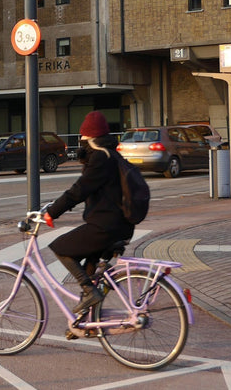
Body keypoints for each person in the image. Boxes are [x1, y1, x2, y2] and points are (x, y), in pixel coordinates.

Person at [42, 111, 135, 314]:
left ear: (89, 137)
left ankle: (89, 291)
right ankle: (85, 323)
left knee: (61, 247)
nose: (81, 143)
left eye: (82, 138)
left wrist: (52, 212)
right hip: (120, 226)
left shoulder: (101, 158)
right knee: (89, 272)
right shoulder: (111, 154)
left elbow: (80, 190)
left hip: (106, 227)